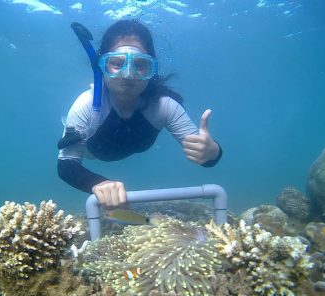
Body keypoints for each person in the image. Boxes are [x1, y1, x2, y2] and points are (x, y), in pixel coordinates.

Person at [57, 19, 222, 208]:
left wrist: (212, 151)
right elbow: (66, 166)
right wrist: (97, 183)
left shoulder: (165, 106)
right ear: (101, 66)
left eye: (140, 64)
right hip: (91, 152)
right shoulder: (86, 105)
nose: (128, 75)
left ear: (152, 69)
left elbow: (207, 160)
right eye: (117, 63)